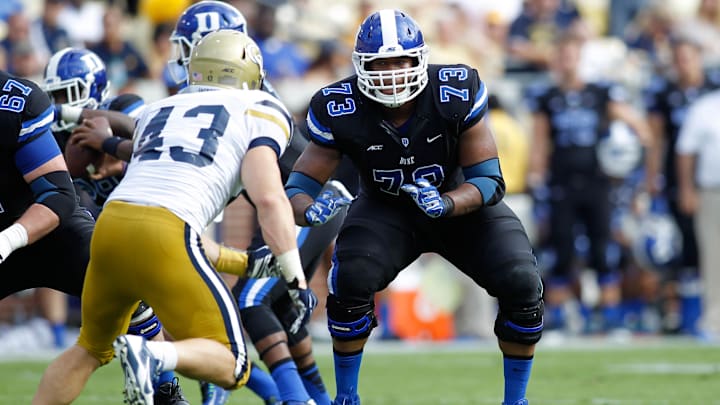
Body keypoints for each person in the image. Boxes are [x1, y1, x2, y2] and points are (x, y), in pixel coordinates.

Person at [32, 29, 313, 405]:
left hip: (112, 226)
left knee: (89, 348)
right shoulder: (261, 109)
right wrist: (295, 274)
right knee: (233, 360)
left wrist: (103, 141)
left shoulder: (159, 107)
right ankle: (154, 355)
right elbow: (269, 198)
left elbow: (142, 148)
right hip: (168, 228)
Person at [287, 9, 543, 405]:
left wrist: (446, 203)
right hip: (385, 208)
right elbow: (299, 185)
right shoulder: (338, 104)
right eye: (380, 63)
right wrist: (309, 208)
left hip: (459, 203)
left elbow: (489, 181)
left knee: (523, 282)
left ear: (420, 58)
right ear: (360, 66)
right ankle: (347, 397)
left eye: (400, 61)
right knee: (351, 277)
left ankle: (516, 400)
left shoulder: (454, 88)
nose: (391, 73)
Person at [41, 46, 191, 404]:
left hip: (162, 220)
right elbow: (62, 188)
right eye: (56, 95)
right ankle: (166, 390)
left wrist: (114, 154)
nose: (61, 102)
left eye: (68, 93)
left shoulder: (125, 107)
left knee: (196, 327)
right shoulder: (58, 137)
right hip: (116, 234)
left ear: (92, 88)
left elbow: (156, 144)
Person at [527, 31, 651, 333]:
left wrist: (632, 164)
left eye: (572, 54)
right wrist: (536, 176)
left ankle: (610, 318)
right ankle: (558, 319)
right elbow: (540, 142)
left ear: (580, 58)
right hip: (562, 183)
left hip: (597, 182)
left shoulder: (599, 93)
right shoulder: (549, 97)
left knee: (602, 250)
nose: (567, 61)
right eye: (562, 55)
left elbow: (639, 128)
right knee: (561, 250)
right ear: (556, 60)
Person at [643, 35, 720, 335]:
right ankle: (683, 316)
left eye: (688, 57)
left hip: (702, 178)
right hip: (683, 181)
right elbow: (658, 140)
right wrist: (653, 179)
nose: (684, 63)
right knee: (681, 250)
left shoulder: (711, 90)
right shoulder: (665, 93)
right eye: (679, 58)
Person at [675, 88, 720, 341]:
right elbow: (686, 150)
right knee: (713, 258)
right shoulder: (706, 106)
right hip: (712, 191)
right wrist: (687, 188)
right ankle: (714, 322)